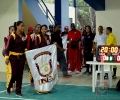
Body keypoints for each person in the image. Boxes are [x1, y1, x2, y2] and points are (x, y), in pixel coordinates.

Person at [5, 21, 27, 96]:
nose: (23, 27)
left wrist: (26, 51)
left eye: (23, 26)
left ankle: (18, 91)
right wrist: (7, 57)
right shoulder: (12, 36)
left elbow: (25, 46)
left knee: (20, 74)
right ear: (17, 27)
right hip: (13, 57)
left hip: (22, 57)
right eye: (21, 26)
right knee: (14, 74)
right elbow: (7, 48)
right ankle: (10, 85)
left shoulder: (25, 36)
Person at [3, 26, 15, 92]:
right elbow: (7, 46)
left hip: (14, 55)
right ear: (9, 31)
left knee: (14, 72)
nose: (13, 31)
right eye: (11, 30)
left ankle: (12, 84)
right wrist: (6, 56)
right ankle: (9, 85)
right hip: (8, 55)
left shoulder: (16, 37)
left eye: (14, 30)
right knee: (9, 71)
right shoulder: (6, 37)